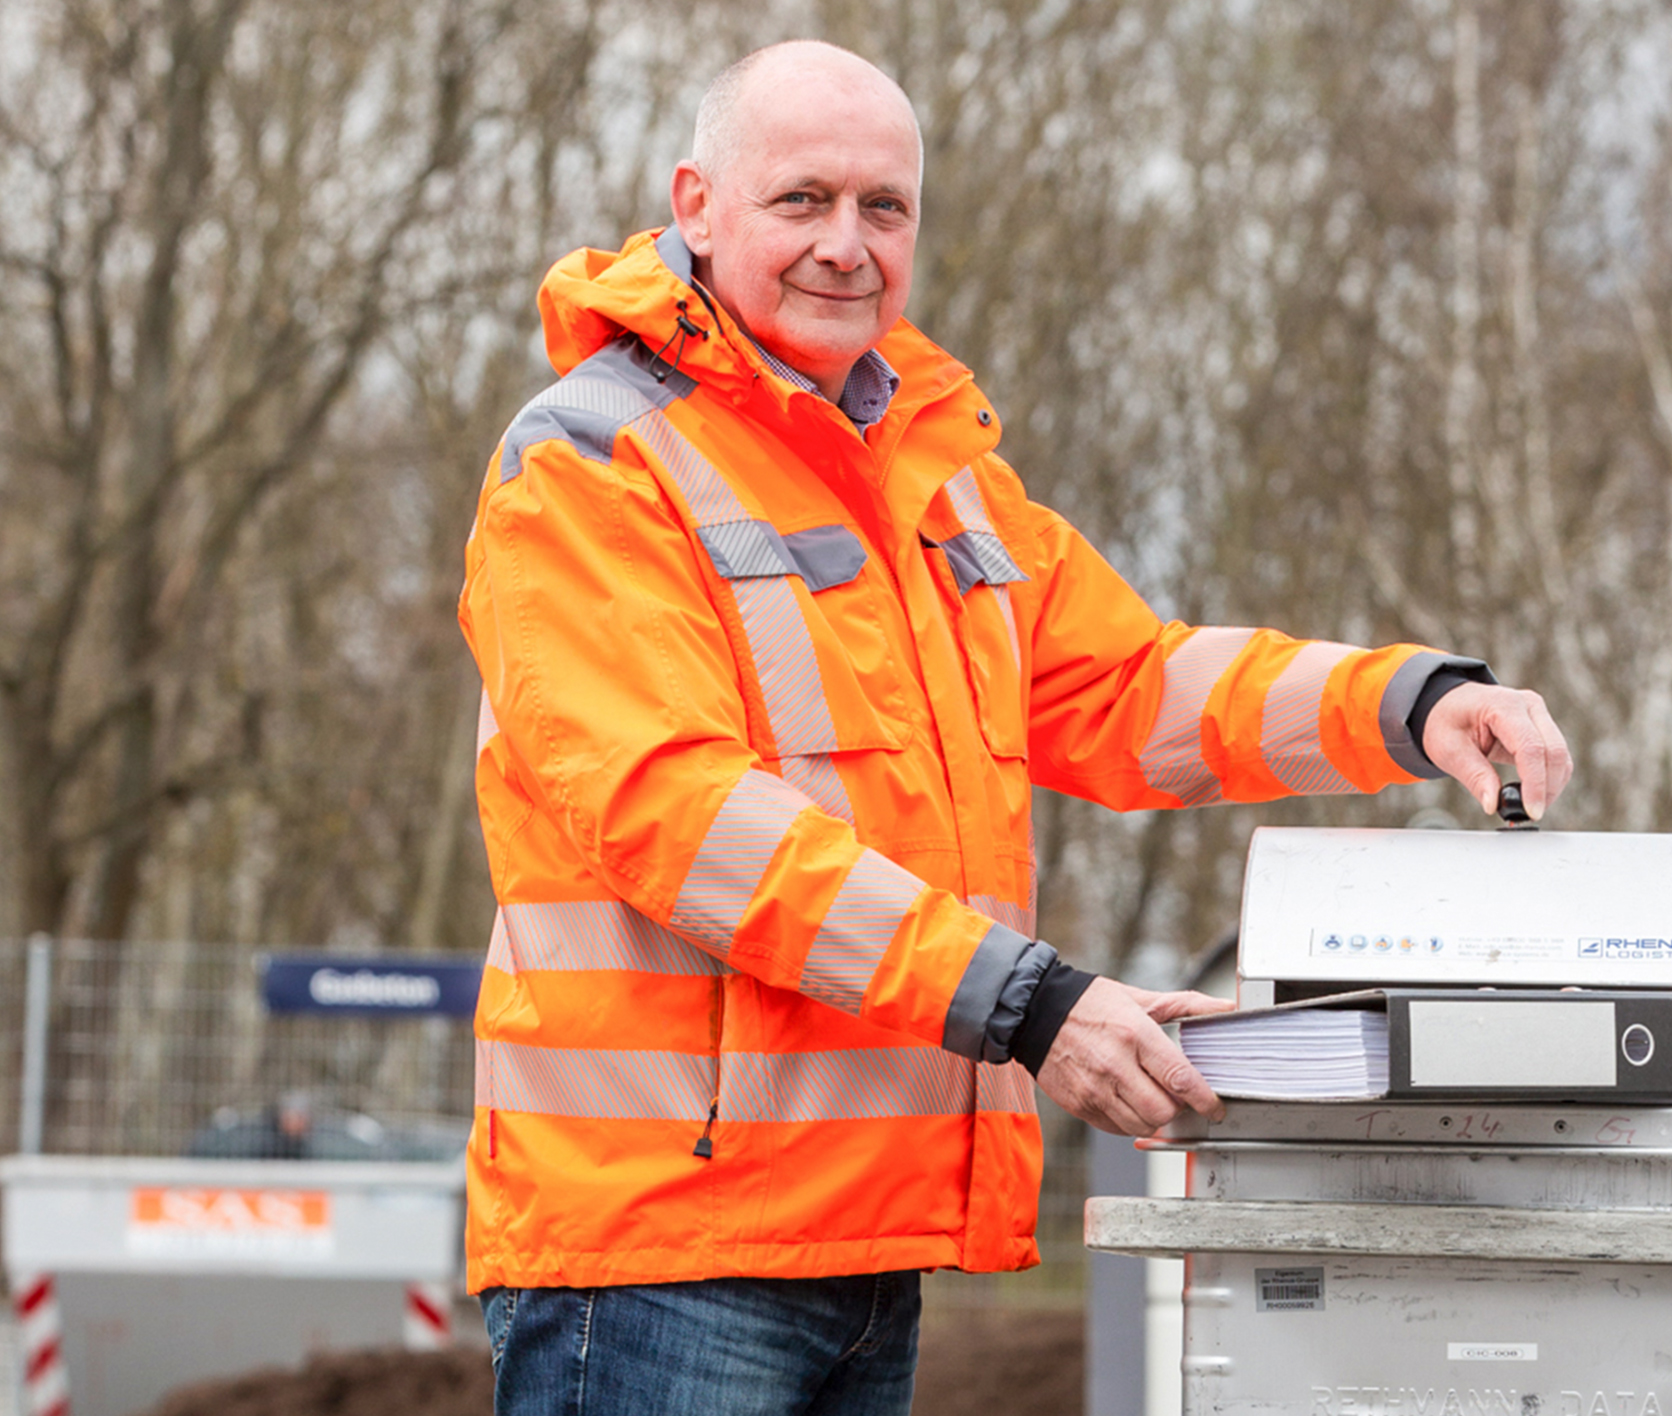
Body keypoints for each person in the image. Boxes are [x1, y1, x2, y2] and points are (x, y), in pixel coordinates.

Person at [460, 39, 1572, 1416]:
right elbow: (677, 815)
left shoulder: (934, 475)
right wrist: (1034, 1005)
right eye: (800, 201)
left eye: (885, 207)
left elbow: (1124, 687)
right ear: (696, 205)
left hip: (863, 1254)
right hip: (657, 1260)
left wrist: (1406, 705)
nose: (846, 245)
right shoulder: (594, 462)